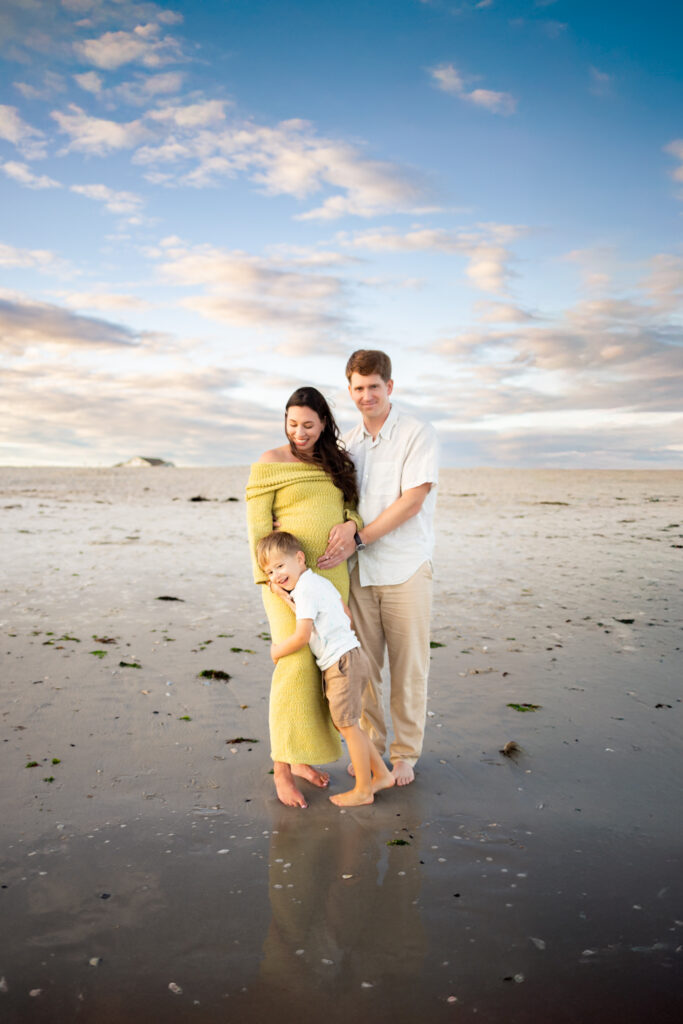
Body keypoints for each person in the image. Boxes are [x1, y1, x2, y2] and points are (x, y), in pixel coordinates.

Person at [318, 350, 438, 786]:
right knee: (364, 670)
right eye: (358, 388)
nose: (366, 395)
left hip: (406, 567)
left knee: (409, 667)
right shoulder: (347, 444)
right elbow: (335, 502)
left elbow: (412, 501)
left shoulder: (417, 433)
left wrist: (359, 537)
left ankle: (404, 755)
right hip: (359, 573)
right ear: (349, 390)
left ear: (389, 386)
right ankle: (370, 747)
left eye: (373, 386)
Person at [246, 387, 362, 808]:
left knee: (323, 667)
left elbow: (352, 510)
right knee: (294, 665)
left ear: (324, 423)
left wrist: (350, 527)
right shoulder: (270, 462)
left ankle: (301, 759)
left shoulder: (337, 462)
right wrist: (270, 581)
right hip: (285, 583)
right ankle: (281, 768)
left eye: (308, 425)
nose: (299, 432)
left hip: (330, 579)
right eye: (292, 424)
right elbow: (257, 528)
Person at [256, 530, 395, 807]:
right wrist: (285, 596)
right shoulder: (319, 583)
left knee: (348, 726)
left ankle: (363, 790)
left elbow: (302, 636)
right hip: (353, 655)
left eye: (280, 566)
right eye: (270, 572)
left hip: (340, 663)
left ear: (300, 558)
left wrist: (276, 651)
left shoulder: (304, 591)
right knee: (349, 725)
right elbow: (347, 615)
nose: (276, 575)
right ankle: (381, 774)